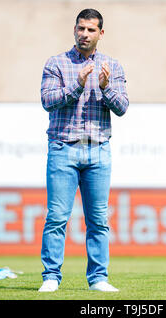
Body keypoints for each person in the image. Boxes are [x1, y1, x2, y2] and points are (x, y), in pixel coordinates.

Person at [38, 8, 129, 292]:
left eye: (91, 30)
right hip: (63, 147)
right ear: (74, 30)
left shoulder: (112, 67)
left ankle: (98, 279)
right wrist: (77, 85)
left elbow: (123, 107)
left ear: (101, 34)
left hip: (98, 150)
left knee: (99, 219)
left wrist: (104, 88)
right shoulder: (56, 63)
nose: (84, 34)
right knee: (56, 216)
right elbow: (48, 101)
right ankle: (51, 277)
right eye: (80, 28)